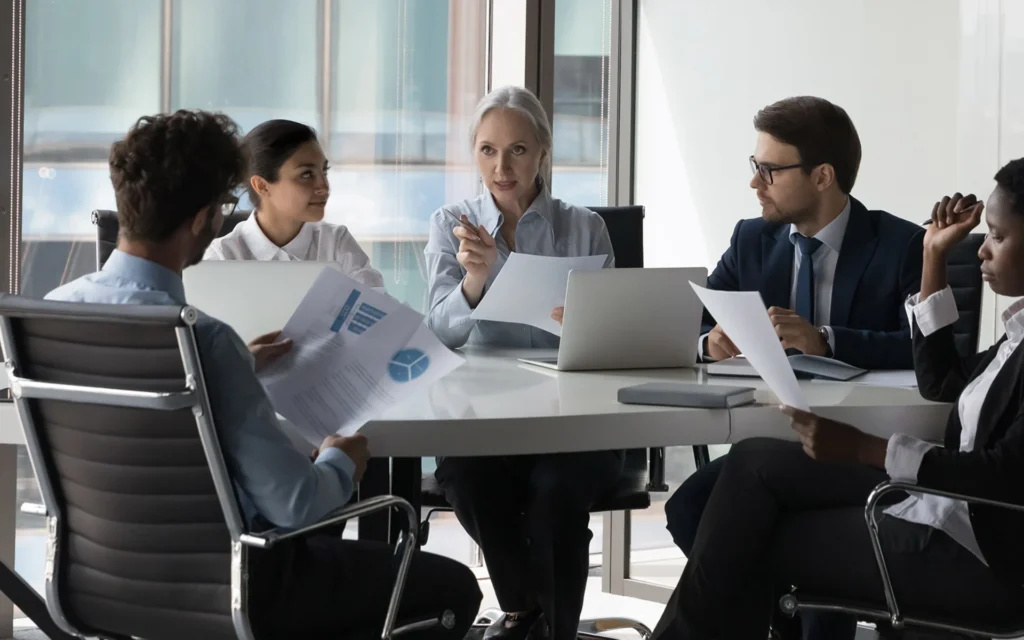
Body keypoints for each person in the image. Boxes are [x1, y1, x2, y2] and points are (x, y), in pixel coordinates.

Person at [46, 109, 481, 639]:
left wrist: (233, 371)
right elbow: (297, 504)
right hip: (233, 585)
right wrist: (341, 460)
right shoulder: (204, 341)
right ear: (205, 217)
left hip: (97, 584)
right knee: (454, 589)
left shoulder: (53, 313)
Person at [650, 161, 1024, 639]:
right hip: (945, 508)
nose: (981, 252)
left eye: (997, 236)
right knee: (751, 464)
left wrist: (864, 449)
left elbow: (1007, 478)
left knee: (737, 533)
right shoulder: (1016, 334)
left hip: (979, 554)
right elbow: (942, 382)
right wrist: (933, 257)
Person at [664, 96, 924, 638]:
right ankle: (780, 619)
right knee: (689, 507)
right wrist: (708, 343)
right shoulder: (752, 239)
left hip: (861, 446)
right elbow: (697, 318)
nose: (755, 183)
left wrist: (827, 340)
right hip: (772, 439)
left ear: (823, 175)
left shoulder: (901, 244)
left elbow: (924, 350)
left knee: (789, 526)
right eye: (753, 167)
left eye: (769, 170)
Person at [423, 86, 623, 640]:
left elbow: (612, 336)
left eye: (517, 150)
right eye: (487, 150)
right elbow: (439, 328)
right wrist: (475, 280)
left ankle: (546, 628)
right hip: (485, 412)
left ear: (542, 152)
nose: (501, 166)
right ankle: (525, 610)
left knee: (557, 491)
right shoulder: (452, 223)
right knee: (464, 476)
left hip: (574, 415)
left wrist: (576, 323)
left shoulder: (585, 227)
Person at [205, 118, 384, 288]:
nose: (324, 186)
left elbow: (380, 311)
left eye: (324, 171)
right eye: (306, 174)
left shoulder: (335, 243)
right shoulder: (222, 257)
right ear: (262, 186)